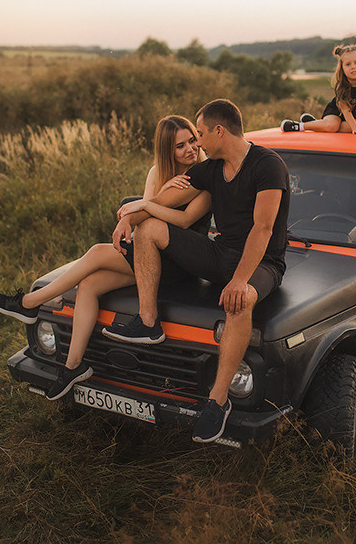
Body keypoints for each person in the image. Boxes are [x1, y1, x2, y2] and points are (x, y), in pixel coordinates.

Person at [105, 99, 290, 443]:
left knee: (240, 301)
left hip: (263, 261)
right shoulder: (210, 169)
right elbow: (163, 204)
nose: (198, 143)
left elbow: (262, 229)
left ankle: (217, 402)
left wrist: (238, 281)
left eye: (201, 133)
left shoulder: (268, 166)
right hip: (220, 253)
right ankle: (148, 321)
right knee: (150, 230)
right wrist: (130, 218)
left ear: (220, 131)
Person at [0, 115, 212, 400]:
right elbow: (144, 213)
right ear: (168, 151)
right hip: (149, 255)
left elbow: (181, 219)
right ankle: (73, 366)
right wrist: (134, 213)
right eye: (180, 146)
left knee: (96, 252)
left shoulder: (204, 175)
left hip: (180, 261)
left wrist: (141, 208)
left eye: (192, 140)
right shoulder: (158, 172)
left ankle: (29, 303)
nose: (190, 149)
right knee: (90, 284)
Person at [281, 39, 356, 135]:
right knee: (334, 126)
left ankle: (318, 123)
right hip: (335, 113)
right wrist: (354, 129)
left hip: (352, 119)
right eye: (348, 64)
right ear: (342, 68)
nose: (353, 67)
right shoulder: (341, 86)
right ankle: (300, 126)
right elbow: (345, 111)